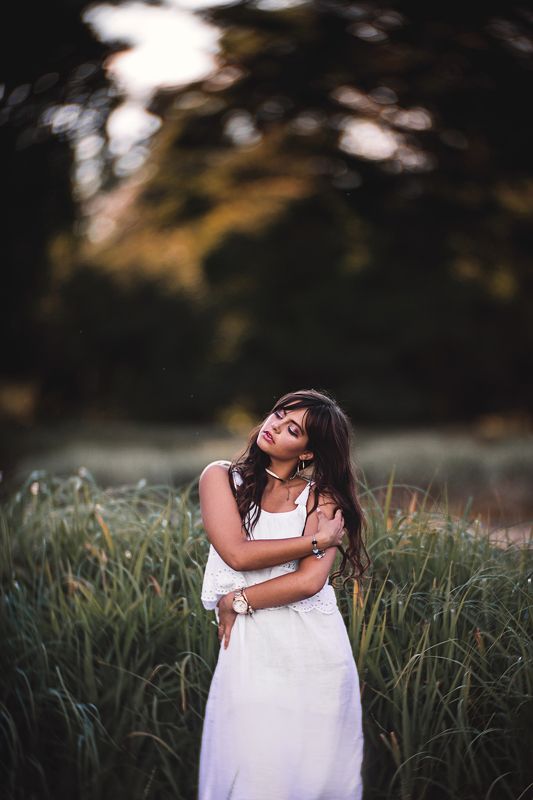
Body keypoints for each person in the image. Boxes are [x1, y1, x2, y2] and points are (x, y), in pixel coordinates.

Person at [197, 389, 370, 800]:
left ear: (308, 453)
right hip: (251, 646)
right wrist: (314, 542)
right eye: (279, 414)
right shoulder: (221, 478)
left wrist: (236, 601)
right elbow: (237, 553)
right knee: (253, 769)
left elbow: (310, 583)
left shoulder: (321, 498)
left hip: (314, 650)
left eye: (292, 429)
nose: (274, 426)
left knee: (312, 775)